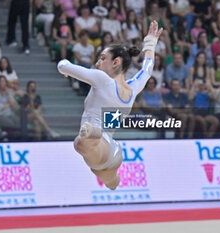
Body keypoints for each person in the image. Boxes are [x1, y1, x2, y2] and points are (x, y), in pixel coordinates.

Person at [57, 21, 163, 190]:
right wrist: (150, 43)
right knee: (112, 183)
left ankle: (92, 133)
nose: (98, 63)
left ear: (116, 62)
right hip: (111, 151)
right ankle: (92, 136)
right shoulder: (133, 89)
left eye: (102, 58)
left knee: (80, 143)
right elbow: (147, 69)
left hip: (102, 146)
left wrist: (63, 65)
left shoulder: (102, 79)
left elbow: (64, 66)